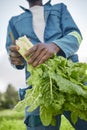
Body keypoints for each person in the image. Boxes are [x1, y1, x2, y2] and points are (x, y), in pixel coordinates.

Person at [5, 0, 87, 130]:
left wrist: (56, 45)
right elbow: (12, 54)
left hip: (71, 79)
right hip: (39, 87)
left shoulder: (60, 9)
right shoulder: (14, 22)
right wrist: (15, 59)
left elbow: (75, 35)